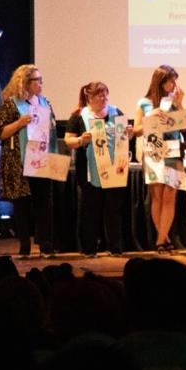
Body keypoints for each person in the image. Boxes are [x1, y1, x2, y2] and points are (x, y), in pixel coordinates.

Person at [0, 64, 58, 257]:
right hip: (18, 161)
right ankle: (24, 245)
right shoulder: (11, 104)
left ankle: (45, 244)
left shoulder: (45, 102)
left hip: (41, 159)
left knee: (44, 203)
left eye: (41, 79)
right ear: (25, 82)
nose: (41, 83)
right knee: (22, 204)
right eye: (37, 80)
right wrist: (19, 123)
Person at [65, 81, 132, 256]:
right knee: (91, 209)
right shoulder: (80, 115)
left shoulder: (115, 112)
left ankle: (115, 247)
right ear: (90, 97)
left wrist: (128, 134)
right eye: (101, 96)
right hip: (89, 170)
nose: (105, 99)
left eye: (106, 95)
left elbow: (124, 137)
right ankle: (89, 248)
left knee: (113, 209)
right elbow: (68, 140)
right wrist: (81, 140)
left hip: (115, 168)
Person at [134, 65, 185, 253]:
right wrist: (150, 116)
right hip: (153, 151)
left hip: (174, 150)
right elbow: (137, 130)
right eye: (171, 80)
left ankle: (160, 240)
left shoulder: (175, 101)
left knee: (170, 195)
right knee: (157, 197)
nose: (174, 85)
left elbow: (185, 128)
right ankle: (163, 239)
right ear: (161, 81)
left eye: (174, 81)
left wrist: (179, 105)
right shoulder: (144, 102)